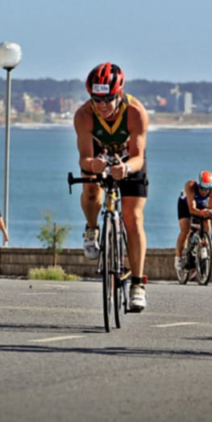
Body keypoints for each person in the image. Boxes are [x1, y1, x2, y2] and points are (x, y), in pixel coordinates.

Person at [74, 62, 150, 312]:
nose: (102, 105)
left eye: (108, 99)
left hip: (130, 160)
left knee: (133, 217)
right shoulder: (84, 115)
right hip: (99, 154)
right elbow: (83, 158)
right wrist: (92, 164)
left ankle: (137, 284)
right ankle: (92, 228)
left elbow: (139, 156)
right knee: (91, 190)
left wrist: (127, 169)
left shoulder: (136, 112)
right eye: (97, 99)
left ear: (119, 94)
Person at [175, 171, 212, 274]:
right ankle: (178, 257)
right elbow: (191, 209)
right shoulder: (190, 186)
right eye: (202, 188)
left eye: (206, 189)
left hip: (202, 204)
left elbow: (211, 210)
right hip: (186, 204)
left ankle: (202, 248)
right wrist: (201, 213)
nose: (204, 192)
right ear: (198, 185)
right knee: (185, 230)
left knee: (206, 223)